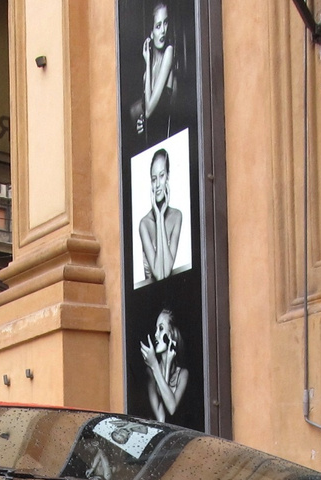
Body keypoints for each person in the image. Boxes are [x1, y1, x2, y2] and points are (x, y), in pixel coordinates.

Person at [138, 149, 183, 284]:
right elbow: (159, 274)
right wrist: (158, 217)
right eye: (153, 179)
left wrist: (161, 216)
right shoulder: (144, 224)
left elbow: (167, 270)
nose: (157, 184)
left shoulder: (177, 216)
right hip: (150, 299)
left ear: (168, 176)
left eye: (161, 175)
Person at [136, 1, 179, 136]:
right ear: (151, 33)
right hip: (152, 142)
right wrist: (140, 122)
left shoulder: (169, 52)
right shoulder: (146, 75)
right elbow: (147, 112)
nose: (163, 31)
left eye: (165, 23)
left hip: (171, 140)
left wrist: (146, 115)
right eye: (158, 26)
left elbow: (149, 110)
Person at [139, 308, 189, 421]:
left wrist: (166, 363)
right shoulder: (150, 372)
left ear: (172, 334)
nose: (156, 334)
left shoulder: (183, 374)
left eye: (161, 329)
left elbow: (171, 408)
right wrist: (155, 365)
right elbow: (162, 417)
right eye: (156, 329)